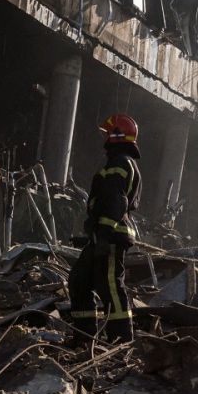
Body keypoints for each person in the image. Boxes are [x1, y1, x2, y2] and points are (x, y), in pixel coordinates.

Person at [67, 113, 142, 343]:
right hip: (102, 235)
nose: (105, 138)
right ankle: (84, 337)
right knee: (79, 280)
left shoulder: (120, 163)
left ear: (117, 136)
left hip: (111, 237)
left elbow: (116, 201)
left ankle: (121, 339)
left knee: (110, 285)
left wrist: (104, 233)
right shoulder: (117, 163)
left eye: (108, 134)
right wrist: (93, 231)